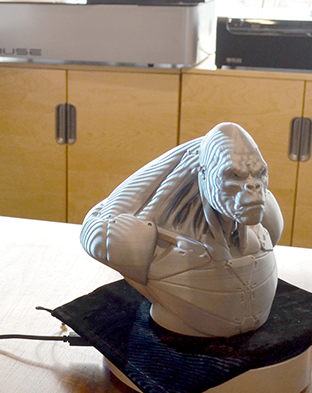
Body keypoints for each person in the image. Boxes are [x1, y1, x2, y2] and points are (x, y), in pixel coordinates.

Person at [80, 122, 283, 337]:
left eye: (259, 173)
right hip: (175, 336)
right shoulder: (137, 243)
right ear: (204, 175)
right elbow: (96, 228)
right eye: (234, 175)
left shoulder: (267, 224)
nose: (253, 185)